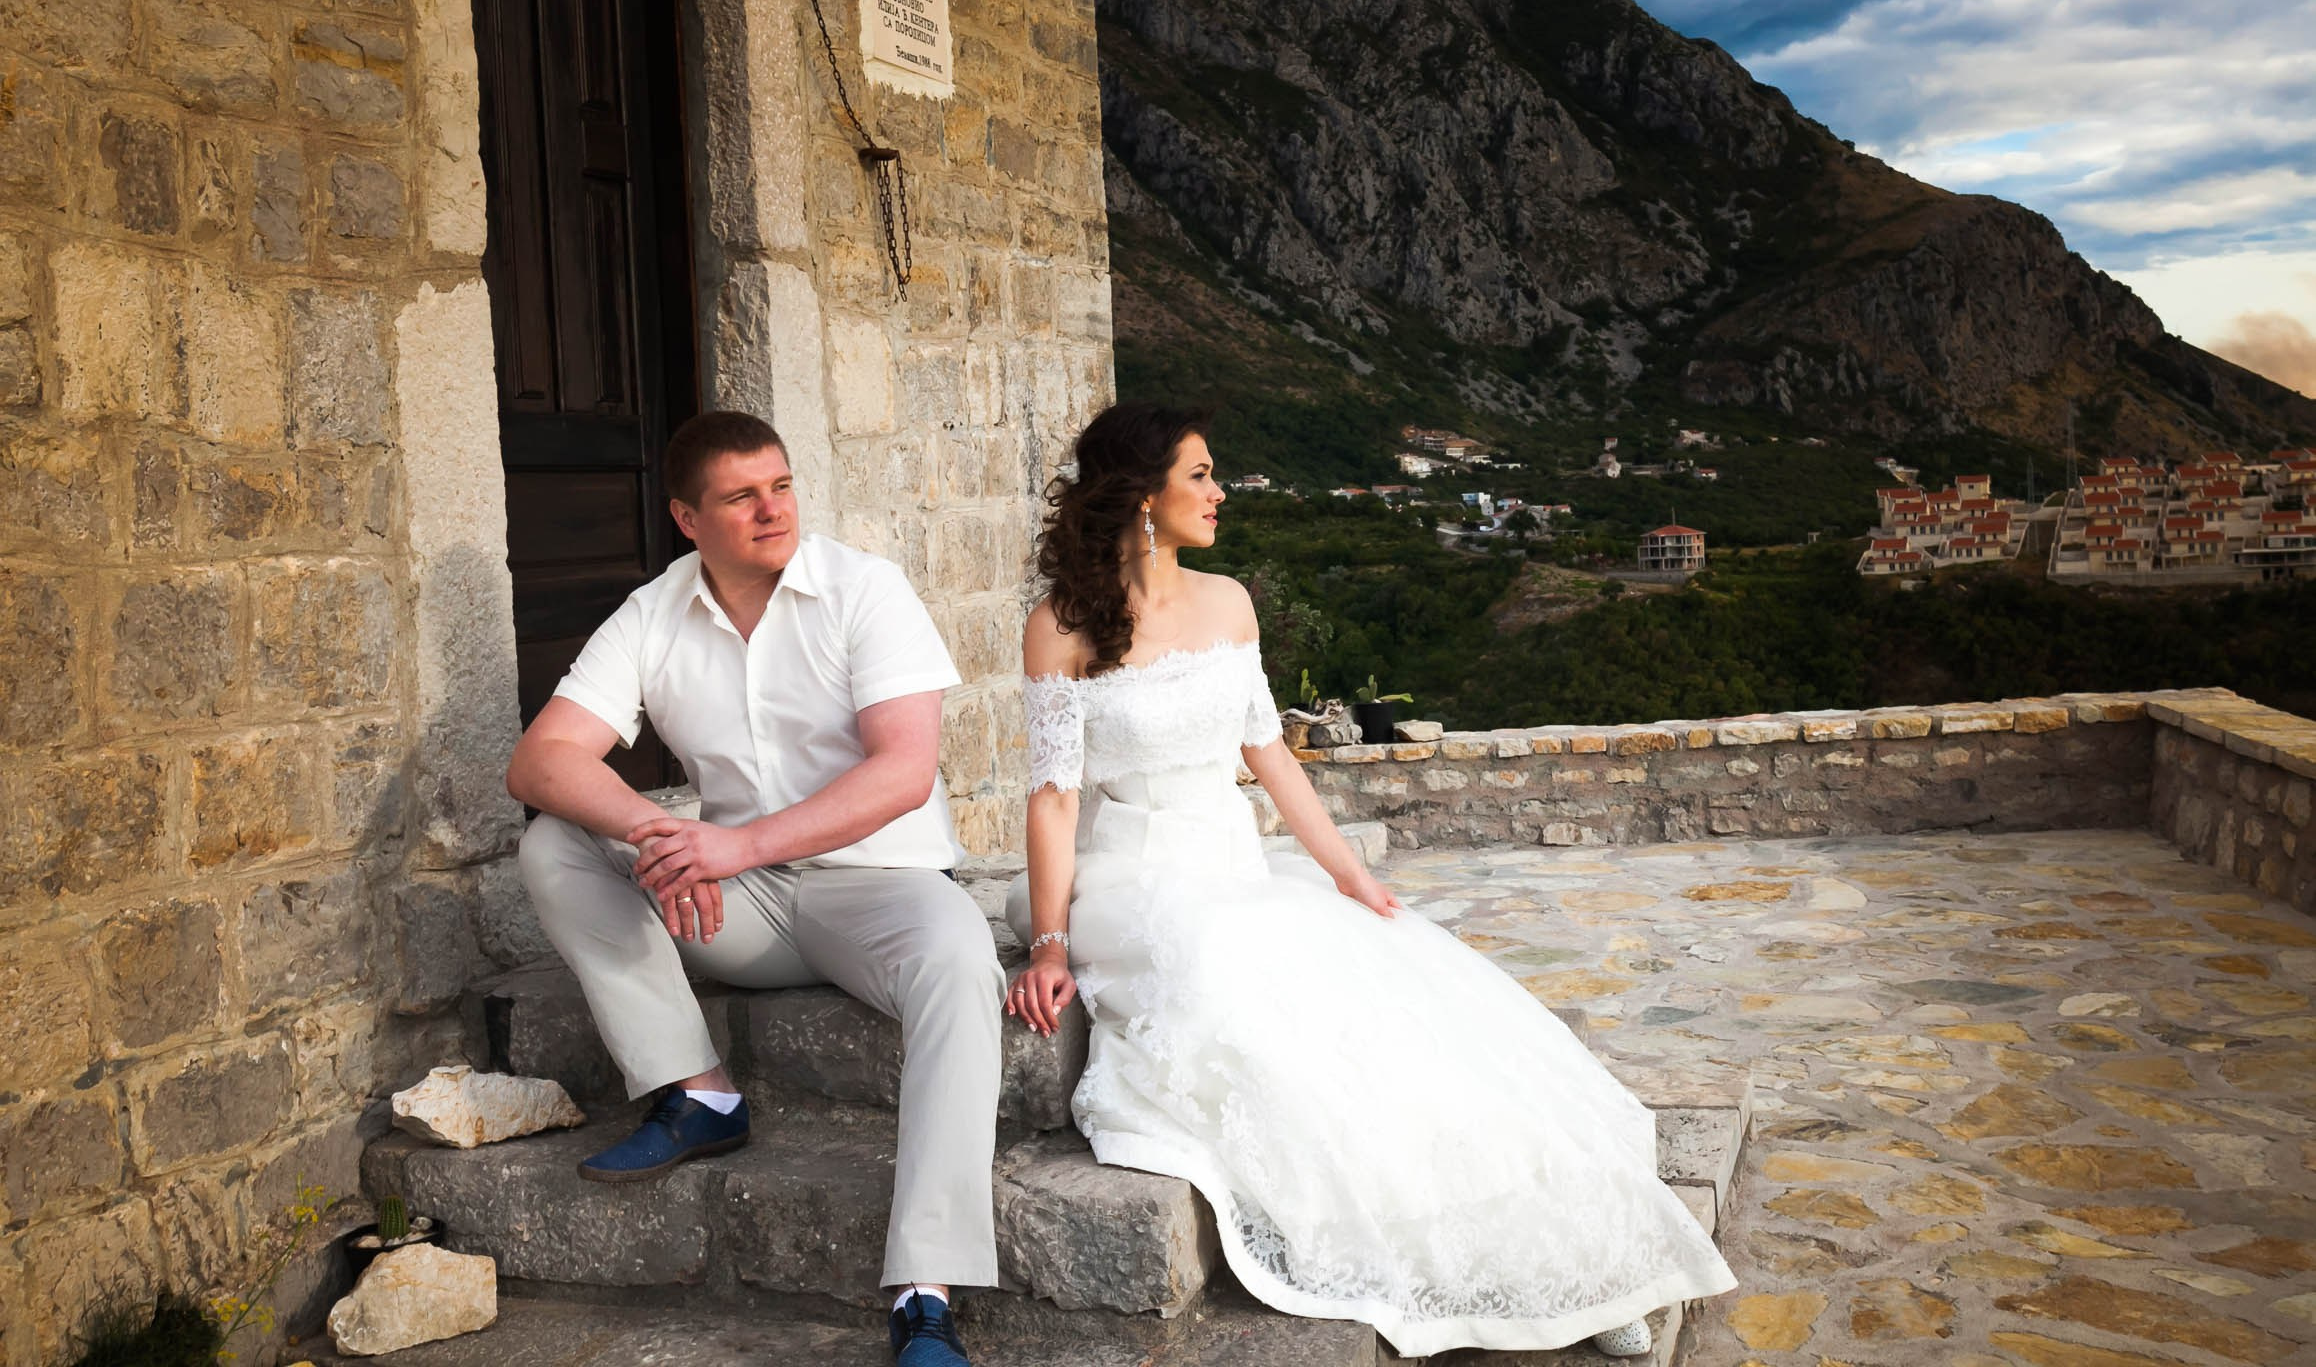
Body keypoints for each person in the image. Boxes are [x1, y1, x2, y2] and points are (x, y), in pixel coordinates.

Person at [1002, 402, 1737, 1358]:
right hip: (1134, 883)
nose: (1221, 492)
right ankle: (1435, 1256)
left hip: (1235, 868)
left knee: (1399, 1001)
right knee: (1241, 984)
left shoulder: (1229, 601)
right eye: (1201, 475)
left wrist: (1349, 875)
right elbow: (1053, 801)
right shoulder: (1059, 625)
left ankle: (1561, 1260)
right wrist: (1051, 942)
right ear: (1144, 497)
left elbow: (1271, 756)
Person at [505, 410, 995, 1367]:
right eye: (742, 496)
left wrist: (736, 845)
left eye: (782, 485)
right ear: (689, 519)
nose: (773, 510)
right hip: (744, 910)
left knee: (960, 960)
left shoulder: (866, 588)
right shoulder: (653, 612)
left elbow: (903, 771)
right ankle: (699, 1092)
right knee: (557, 842)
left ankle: (925, 1294)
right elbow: (542, 760)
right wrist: (663, 835)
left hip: (881, 888)